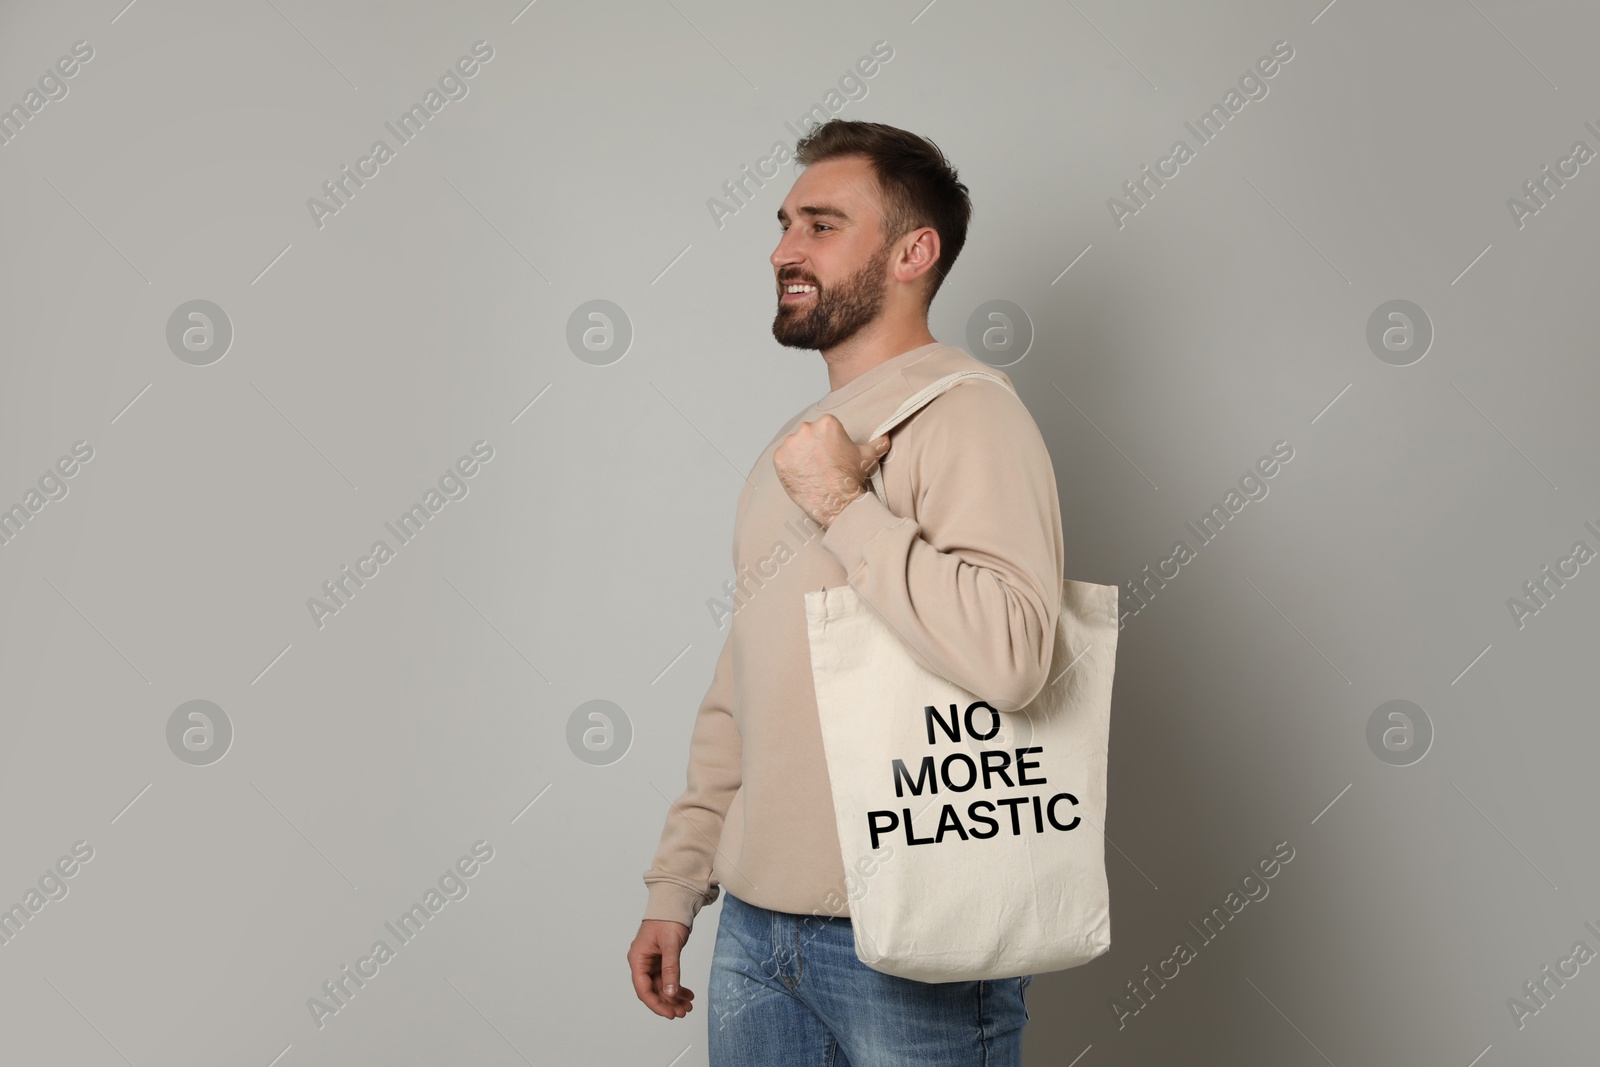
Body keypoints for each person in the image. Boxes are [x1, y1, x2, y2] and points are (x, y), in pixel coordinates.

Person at [627, 118, 1064, 1066]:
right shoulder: (803, 438)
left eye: (821, 226)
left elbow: (1017, 654)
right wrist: (680, 883)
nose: (784, 250)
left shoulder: (968, 413)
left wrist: (844, 505)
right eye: (785, 224)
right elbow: (744, 681)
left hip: (910, 938)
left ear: (914, 252)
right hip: (755, 927)